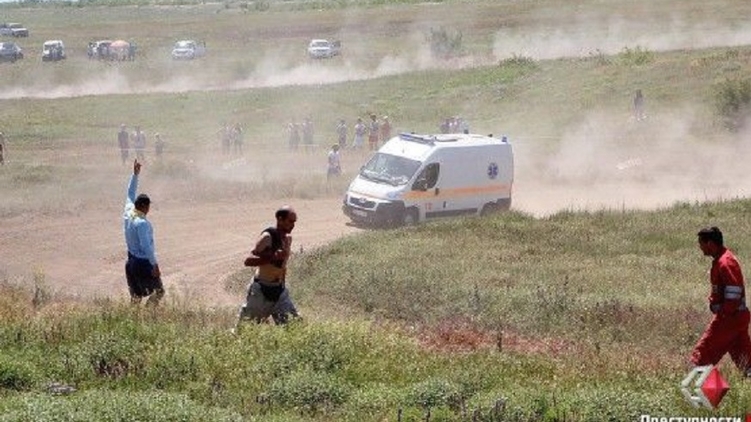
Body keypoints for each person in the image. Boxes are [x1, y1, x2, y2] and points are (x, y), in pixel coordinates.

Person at [690, 226, 751, 376]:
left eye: (701, 243)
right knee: (745, 359)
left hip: (729, 318)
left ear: (710, 243)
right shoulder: (722, 260)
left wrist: (723, 314)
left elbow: (734, 293)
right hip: (736, 318)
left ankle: (697, 384)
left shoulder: (725, 262)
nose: (700, 247)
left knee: (702, 355)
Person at [236, 206, 300, 328]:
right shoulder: (267, 237)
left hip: (279, 291)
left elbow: (282, 267)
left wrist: (282, 285)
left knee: (294, 327)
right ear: (280, 219)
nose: (293, 225)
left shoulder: (288, 239)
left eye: (294, 222)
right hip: (261, 290)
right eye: (290, 221)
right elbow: (248, 260)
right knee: (245, 329)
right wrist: (273, 257)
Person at [123, 159, 164, 306]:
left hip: (130, 262)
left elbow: (130, 193)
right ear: (144, 206)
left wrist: (135, 175)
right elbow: (146, 246)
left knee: (136, 297)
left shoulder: (128, 212)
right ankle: (148, 314)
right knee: (159, 292)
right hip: (142, 263)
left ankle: (132, 317)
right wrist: (155, 265)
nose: (149, 209)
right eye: (148, 206)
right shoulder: (142, 224)